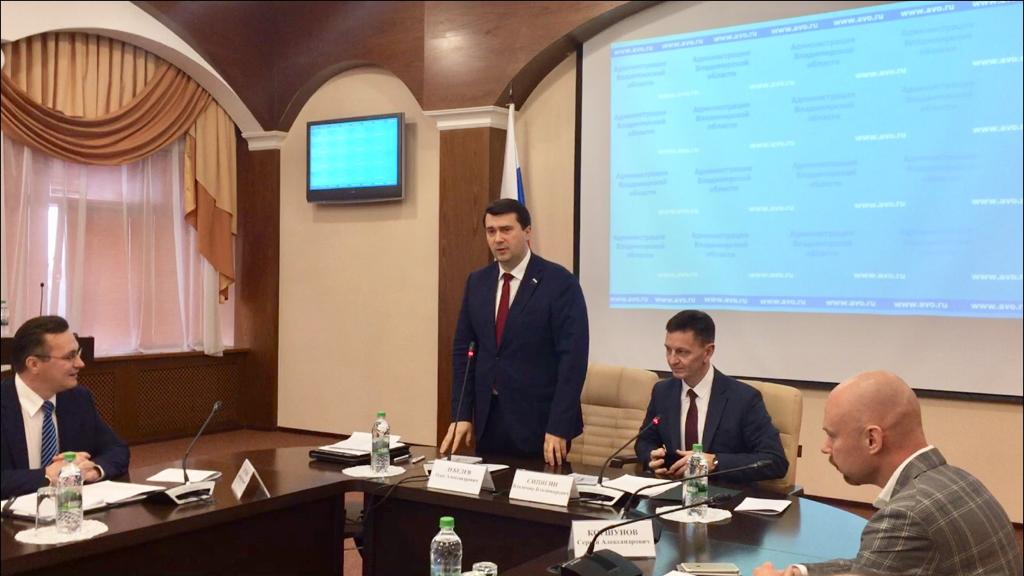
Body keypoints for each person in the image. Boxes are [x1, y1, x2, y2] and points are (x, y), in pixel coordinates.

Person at [754, 371, 1022, 576]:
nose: (825, 448)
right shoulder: (958, 480)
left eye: (832, 436)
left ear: (872, 439)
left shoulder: (906, 516)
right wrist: (800, 572)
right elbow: (875, 565)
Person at [439, 199, 589, 466]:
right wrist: (461, 413)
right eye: (491, 231)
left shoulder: (559, 283)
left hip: (541, 424)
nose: (498, 239)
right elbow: (464, 351)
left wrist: (559, 425)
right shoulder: (477, 282)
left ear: (527, 232)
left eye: (506, 230)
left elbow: (573, 360)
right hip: (489, 419)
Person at [634, 310, 787, 483]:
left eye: (682, 352)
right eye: (668, 350)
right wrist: (652, 458)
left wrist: (715, 462)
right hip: (671, 490)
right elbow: (644, 441)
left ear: (707, 352)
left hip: (723, 494)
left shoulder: (743, 399)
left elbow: (775, 461)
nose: (672, 360)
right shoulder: (663, 392)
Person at [1, 315, 129, 499]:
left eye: (78, 353)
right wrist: (47, 476)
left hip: (72, 509)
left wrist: (93, 470)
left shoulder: (78, 399)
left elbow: (117, 449)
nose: (80, 363)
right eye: (70, 357)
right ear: (34, 364)